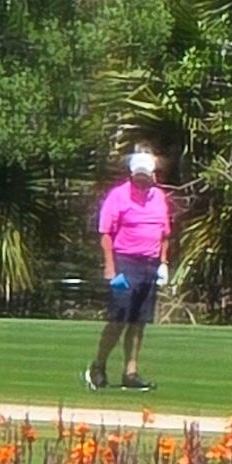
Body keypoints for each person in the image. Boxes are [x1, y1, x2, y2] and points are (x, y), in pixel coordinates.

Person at [87, 146, 174, 394]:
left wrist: (163, 263)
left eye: (146, 175)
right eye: (138, 175)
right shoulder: (118, 196)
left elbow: (164, 234)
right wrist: (110, 268)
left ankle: (131, 372)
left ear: (153, 174)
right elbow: (106, 234)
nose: (142, 180)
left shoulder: (159, 198)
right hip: (125, 263)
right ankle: (98, 366)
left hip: (150, 265)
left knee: (139, 321)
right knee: (119, 318)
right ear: (132, 174)